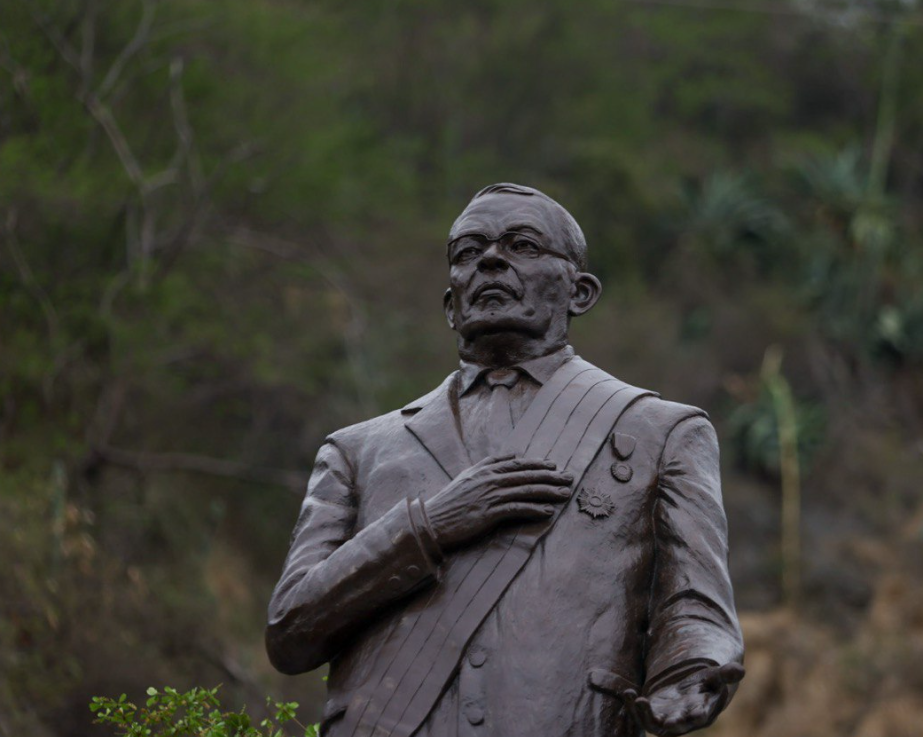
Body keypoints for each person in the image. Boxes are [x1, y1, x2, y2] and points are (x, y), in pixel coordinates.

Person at [266, 183, 744, 737]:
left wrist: (691, 673)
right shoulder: (357, 450)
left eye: (522, 246)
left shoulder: (665, 432)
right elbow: (290, 631)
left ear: (581, 292)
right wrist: (430, 525)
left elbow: (696, 606)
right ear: (451, 304)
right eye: (468, 253)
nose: (491, 259)